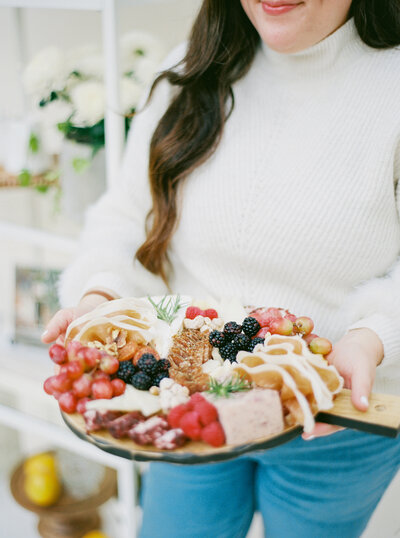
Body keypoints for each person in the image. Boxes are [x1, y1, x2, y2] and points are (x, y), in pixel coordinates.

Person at [43, 0, 400, 536]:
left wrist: (373, 336)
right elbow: (123, 218)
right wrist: (102, 296)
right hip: (183, 392)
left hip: (332, 419)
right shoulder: (192, 69)